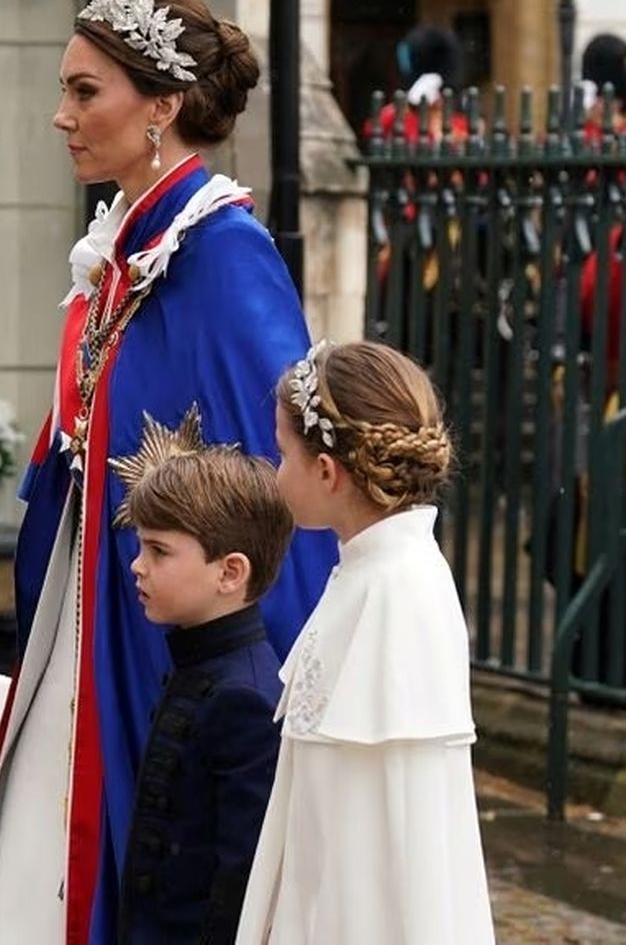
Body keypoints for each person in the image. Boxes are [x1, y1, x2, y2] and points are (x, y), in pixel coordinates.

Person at [0, 0, 335, 944]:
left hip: (160, 649)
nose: (60, 116)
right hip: (89, 627)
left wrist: (274, 689)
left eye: (84, 92)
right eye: (65, 90)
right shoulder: (123, 249)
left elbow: (287, 487)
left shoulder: (220, 251)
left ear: (160, 106)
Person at [237, 340, 495, 944]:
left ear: (327, 473)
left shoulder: (395, 594)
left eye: (282, 454)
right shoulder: (367, 574)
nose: (276, 473)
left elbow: (395, 839)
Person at [113, 410, 290, 943]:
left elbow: (237, 883)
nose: (136, 566)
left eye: (159, 551)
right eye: (142, 546)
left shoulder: (244, 699)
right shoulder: (197, 666)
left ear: (230, 572)